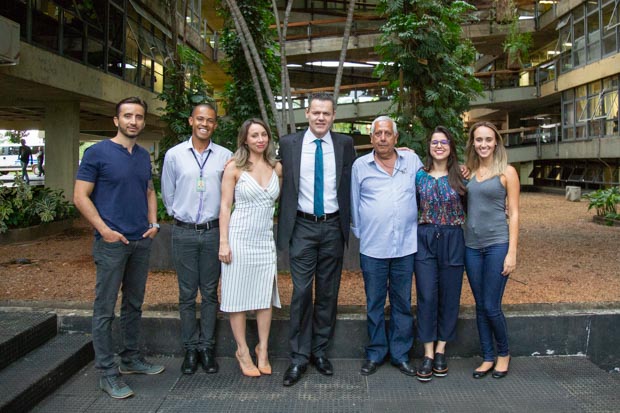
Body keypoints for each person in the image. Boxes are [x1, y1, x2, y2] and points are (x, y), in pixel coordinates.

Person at [74, 97, 164, 399]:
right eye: (127, 116)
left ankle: (131, 358)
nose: (133, 121)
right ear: (116, 120)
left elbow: (149, 190)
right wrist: (104, 231)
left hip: (140, 241)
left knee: (134, 305)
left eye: (139, 116)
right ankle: (107, 373)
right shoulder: (96, 153)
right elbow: (80, 196)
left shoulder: (141, 156)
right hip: (112, 244)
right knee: (104, 310)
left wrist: (154, 223)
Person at [277, 92, 356, 386]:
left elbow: (354, 175)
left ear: (333, 116)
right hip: (302, 227)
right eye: (316, 113)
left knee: (327, 292)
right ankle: (298, 357)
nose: (321, 118)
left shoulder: (345, 144)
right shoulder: (289, 144)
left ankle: (319, 351)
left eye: (326, 113)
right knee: (300, 292)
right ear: (306, 115)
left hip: (333, 227)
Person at [161, 103, 232, 375]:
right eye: (200, 119)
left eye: (210, 120)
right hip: (184, 232)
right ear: (191, 121)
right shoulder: (174, 155)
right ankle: (190, 349)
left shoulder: (225, 156)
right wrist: (182, 215)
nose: (205, 124)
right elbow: (168, 193)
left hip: (214, 232)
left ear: (215, 125)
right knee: (187, 294)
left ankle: (207, 348)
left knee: (211, 293)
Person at [351, 116, 423, 377]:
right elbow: (354, 202)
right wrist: (361, 234)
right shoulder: (360, 166)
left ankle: (400, 355)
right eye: (378, 133)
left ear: (396, 137)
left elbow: (431, 183)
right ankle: (375, 353)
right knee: (375, 304)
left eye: (387, 133)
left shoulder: (412, 162)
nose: (382, 138)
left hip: (405, 246)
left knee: (403, 303)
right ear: (371, 138)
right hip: (373, 248)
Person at [218, 119, 283, 377]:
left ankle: (262, 349)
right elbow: (224, 207)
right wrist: (223, 241)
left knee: (264, 296)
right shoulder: (234, 167)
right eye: (254, 135)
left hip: (265, 239)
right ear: (244, 139)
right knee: (237, 297)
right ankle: (242, 350)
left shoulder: (277, 167)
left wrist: (401, 150)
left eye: (264, 134)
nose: (260, 139)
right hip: (239, 237)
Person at [464, 121, 520, 379]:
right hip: (472, 247)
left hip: (497, 245)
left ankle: (503, 354)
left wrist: (512, 252)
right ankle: (487, 356)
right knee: (479, 304)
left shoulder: (507, 172)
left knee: (491, 305)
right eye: (479, 140)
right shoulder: (470, 173)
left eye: (488, 139)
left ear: (496, 141)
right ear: (473, 143)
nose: (483, 144)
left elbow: (516, 213)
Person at [414, 126, 467, 382]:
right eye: (434, 142)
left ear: (450, 147)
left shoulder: (461, 176)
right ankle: (427, 353)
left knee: (449, 295)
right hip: (424, 238)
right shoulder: (419, 177)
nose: (438, 146)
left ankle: (441, 349)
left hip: (453, 238)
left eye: (443, 142)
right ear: (429, 147)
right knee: (426, 295)